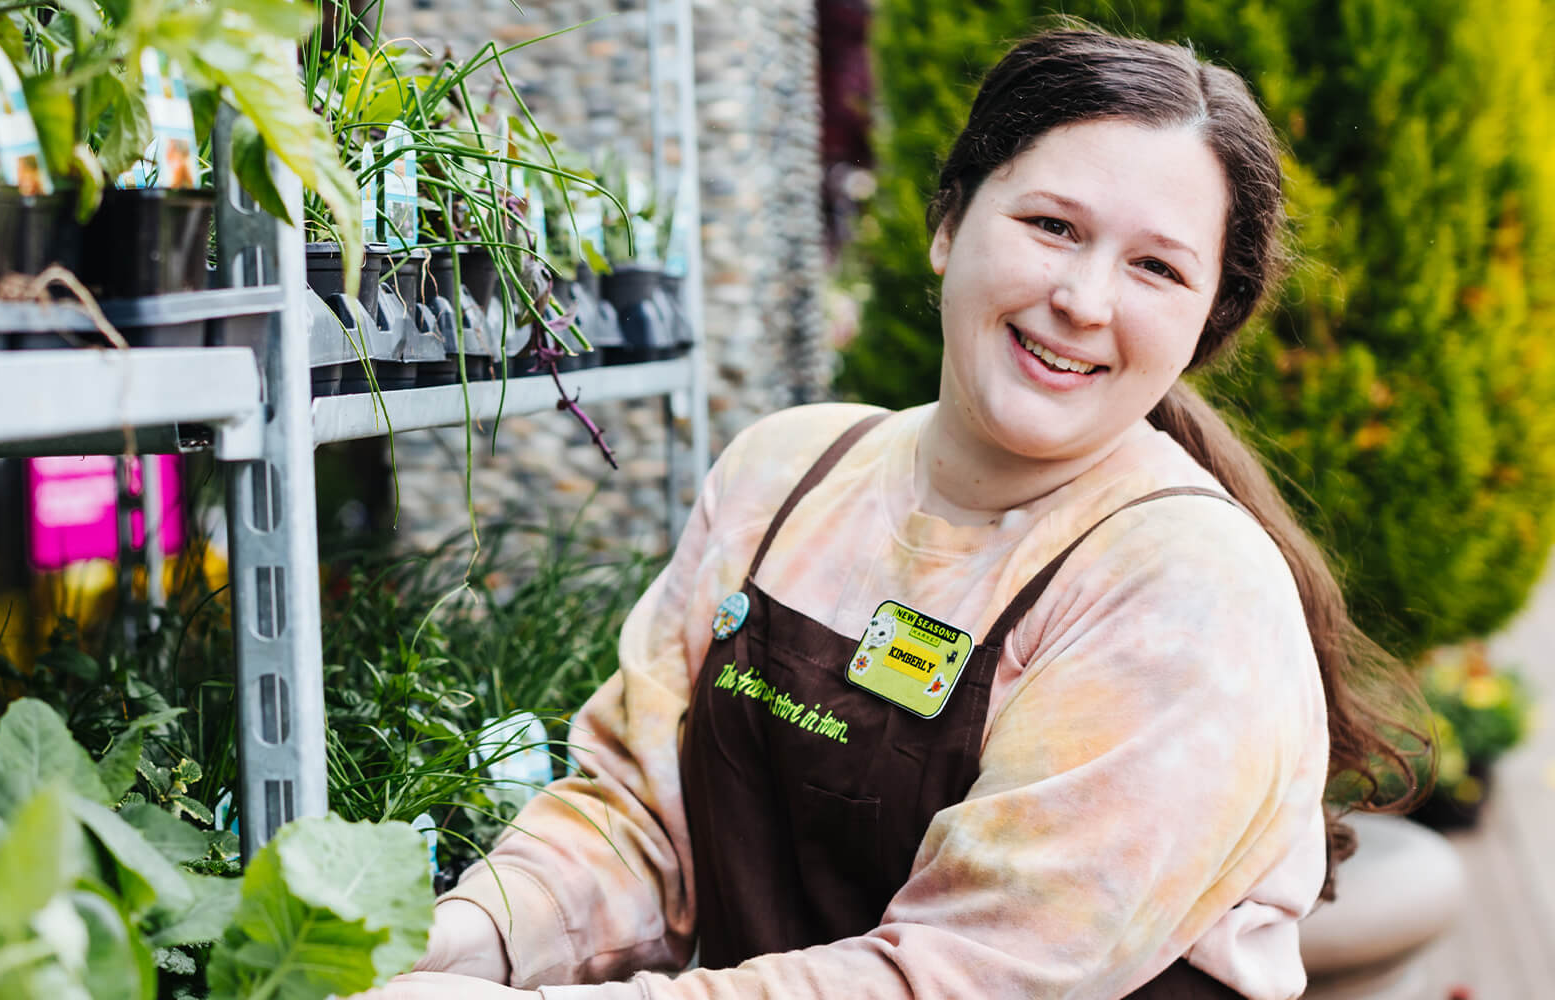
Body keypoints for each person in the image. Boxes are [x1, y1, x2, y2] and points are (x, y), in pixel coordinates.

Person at [360, 27, 1422, 1000]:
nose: (1086, 300)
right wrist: (456, 940)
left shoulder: (1187, 585)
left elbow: (967, 975)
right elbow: (638, 819)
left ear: (1206, 322)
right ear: (948, 224)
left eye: (1155, 267)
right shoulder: (789, 475)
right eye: (1054, 226)